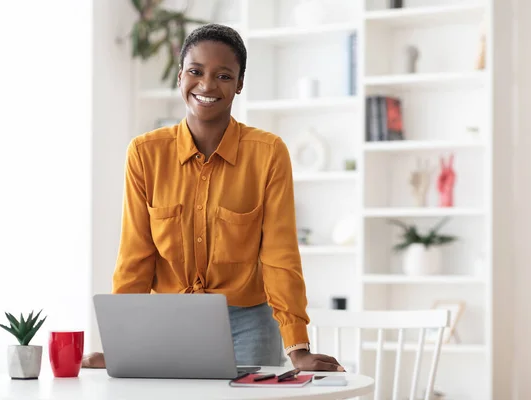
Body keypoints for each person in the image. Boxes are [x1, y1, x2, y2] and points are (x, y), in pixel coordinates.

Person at [82, 23, 343, 372]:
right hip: (166, 325)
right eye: (196, 71)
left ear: (239, 85)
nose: (206, 85)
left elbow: (280, 257)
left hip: (249, 324)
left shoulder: (268, 153)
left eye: (223, 75)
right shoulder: (145, 154)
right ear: (180, 77)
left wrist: (298, 347)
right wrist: (121, 343)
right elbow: (136, 257)